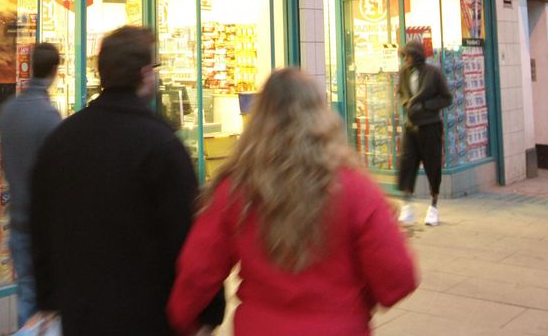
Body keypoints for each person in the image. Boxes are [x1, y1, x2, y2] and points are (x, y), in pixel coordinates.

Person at [167, 67, 417, 336]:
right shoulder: (355, 187)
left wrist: (184, 318)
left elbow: (198, 271)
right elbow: (398, 279)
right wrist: (359, 298)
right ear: (321, 115)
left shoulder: (236, 188)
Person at [30, 25, 224, 336]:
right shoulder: (161, 145)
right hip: (149, 316)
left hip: (81, 314)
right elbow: (187, 238)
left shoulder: (61, 140)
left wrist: (49, 300)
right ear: (146, 73)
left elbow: (39, 226)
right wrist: (207, 312)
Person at [0, 42, 62, 327]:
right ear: (56, 71)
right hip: (44, 226)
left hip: (18, 220)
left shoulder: (7, 111)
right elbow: (56, 177)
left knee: (26, 295)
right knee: (47, 302)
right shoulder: (49, 117)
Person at [396, 39, 452, 227]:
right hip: (410, 126)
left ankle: (433, 207)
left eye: (408, 56)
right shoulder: (403, 73)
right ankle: (407, 206)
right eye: (404, 56)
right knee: (407, 164)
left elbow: (446, 98)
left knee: (432, 166)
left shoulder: (433, 73)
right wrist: (408, 105)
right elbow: (402, 93)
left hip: (430, 127)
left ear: (416, 55)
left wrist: (425, 106)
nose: (406, 59)